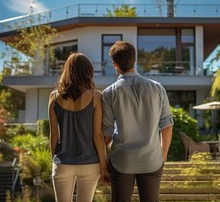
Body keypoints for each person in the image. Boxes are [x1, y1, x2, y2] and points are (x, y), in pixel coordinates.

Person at [102, 41, 174, 202]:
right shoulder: (157, 88)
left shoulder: (109, 93)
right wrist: (162, 155)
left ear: (115, 64)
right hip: (151, 160)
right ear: (134, 60)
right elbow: (167, 127)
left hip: (122, 161)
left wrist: (105, 162)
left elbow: (105, 135)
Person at [48, 52, 109, 202]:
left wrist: (54, 160)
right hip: (90, 164)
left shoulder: (54, 97)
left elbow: (54, 135)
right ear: (88, 73)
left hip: (63, 162)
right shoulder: (96, 97)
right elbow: (97, 136)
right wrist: (103, 167)